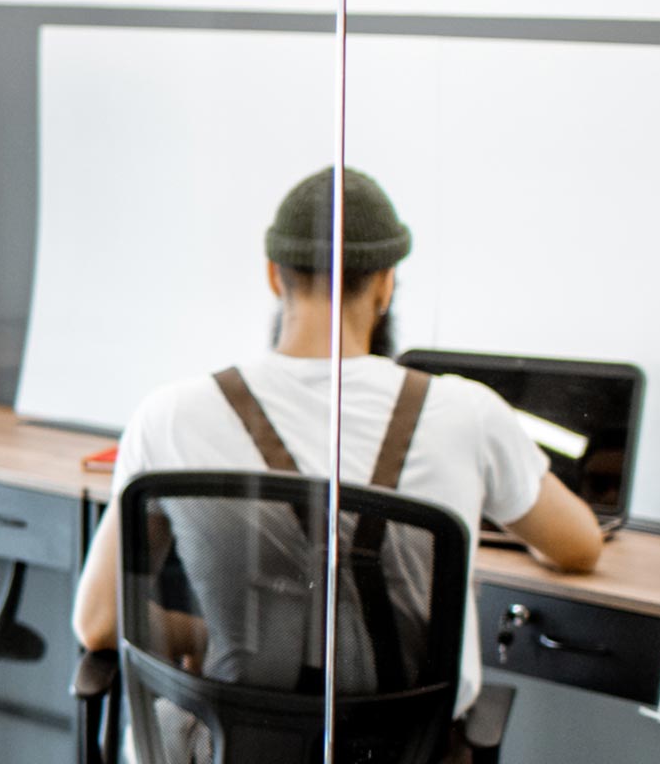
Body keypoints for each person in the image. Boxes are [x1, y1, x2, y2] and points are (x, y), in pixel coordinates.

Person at [67, 167, 605, 713]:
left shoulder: (169, 417)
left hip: (230, 748)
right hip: (409, 750)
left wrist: (203, 638)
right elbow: (579, 546)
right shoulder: (467, 413)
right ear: (386, 284)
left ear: (274, 277)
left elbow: (98, 623)